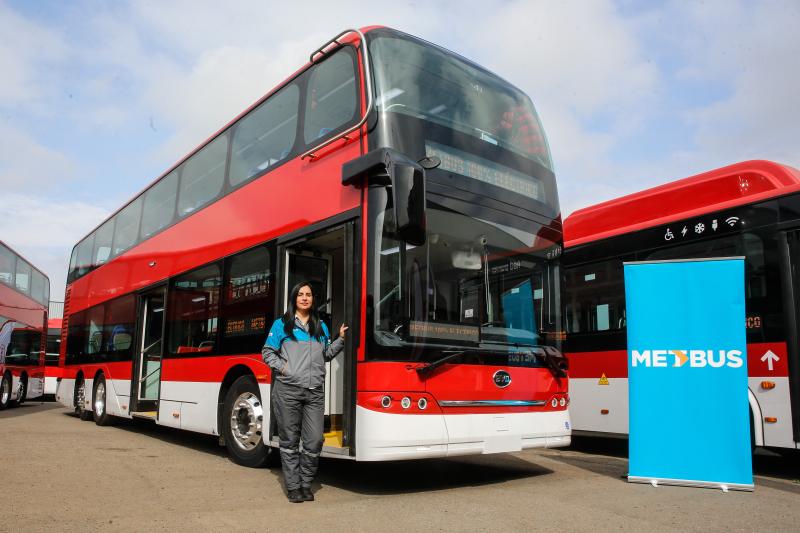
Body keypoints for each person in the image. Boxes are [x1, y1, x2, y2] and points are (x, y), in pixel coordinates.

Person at [262, 281, 347, 503]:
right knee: (289, 440)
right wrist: (285, 369)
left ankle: (306, 482)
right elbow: (267, 352)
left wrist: (341, 340)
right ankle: (294, 487)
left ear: (313, 299)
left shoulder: (321, 327)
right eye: (300, 294)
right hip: (287, 390)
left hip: (314, 393)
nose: (305, 298)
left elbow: (326, 354)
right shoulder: (282, 324)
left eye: (308, 295)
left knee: (314, 440)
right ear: (294, 299)